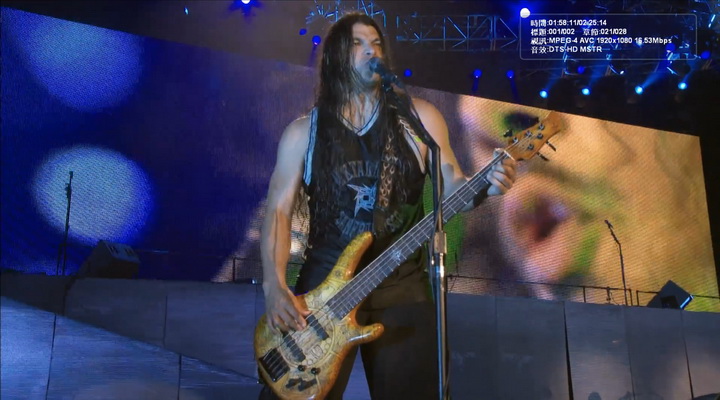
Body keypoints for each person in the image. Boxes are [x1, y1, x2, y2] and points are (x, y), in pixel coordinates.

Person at [259, 12, 517, 399]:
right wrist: (274, 286)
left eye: (376, 44)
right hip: (323, 293)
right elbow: (278, 212)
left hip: (402, 288)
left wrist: (487, 186)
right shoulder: (303, 132)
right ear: (335, 58)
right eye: (357, 44)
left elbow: (452, 188)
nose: (371, 51)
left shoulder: (419, 119)